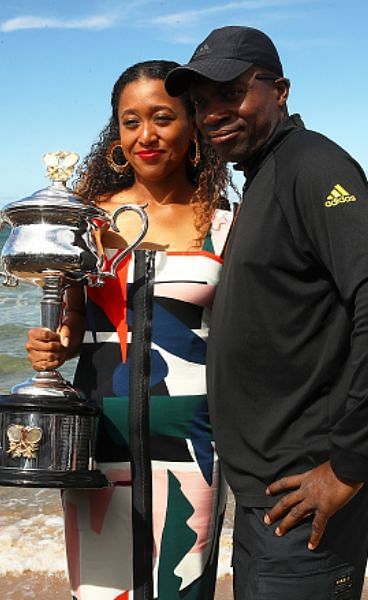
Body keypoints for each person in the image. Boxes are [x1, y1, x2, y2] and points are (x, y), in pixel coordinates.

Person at [162, 25, 368, 599]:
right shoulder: (265, 176)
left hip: (306, 492)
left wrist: (350, 464)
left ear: (280, 90)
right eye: (201, 102)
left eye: (232, 92)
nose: (214, 112)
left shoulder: (313, 165)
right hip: (270, 496)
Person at [24, 59, 233, 599]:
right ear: (115, 133)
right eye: (130, 120)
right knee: (99, 592)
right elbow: (70, 323)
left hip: (196, 448)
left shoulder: (226, 221)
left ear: (192, 125)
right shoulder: (84, 223)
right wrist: (53, 345)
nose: (146, 135)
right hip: (96, 444)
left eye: (162, 117)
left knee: (182, 590)